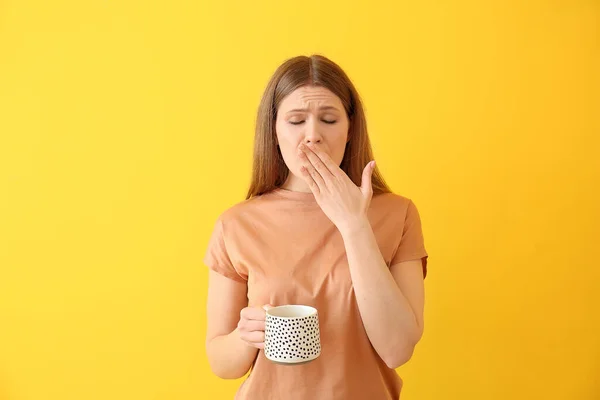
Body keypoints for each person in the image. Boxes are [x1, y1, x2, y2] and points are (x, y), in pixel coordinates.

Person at [204, 54, 429, 400]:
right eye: (295, 121)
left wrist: (355, 225)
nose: (312, 136)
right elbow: (221, 362)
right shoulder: (236, 224)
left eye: (328, 119)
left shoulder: (398, 215)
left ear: (350, 128)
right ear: (274, 131)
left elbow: (398, 349)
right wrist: (245, 336)